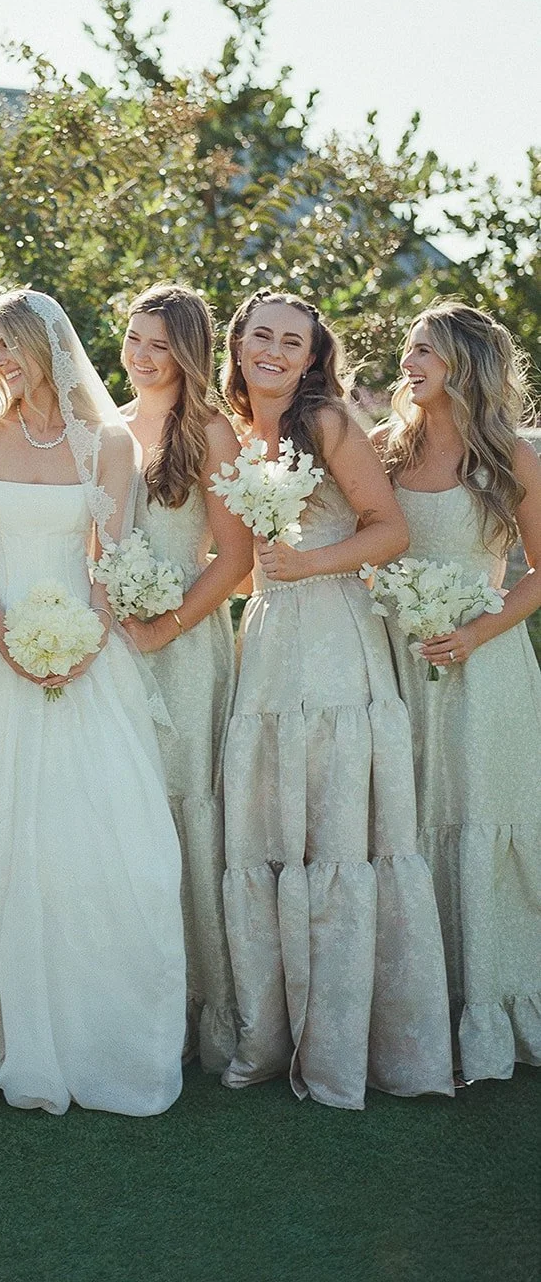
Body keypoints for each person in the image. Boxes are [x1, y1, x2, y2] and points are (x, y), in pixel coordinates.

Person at [0, 287, 186, 1116]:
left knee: (105, 839)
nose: (0, 366)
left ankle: (99, 1033)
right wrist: (8, 641)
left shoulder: (110, 443)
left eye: (10, 348)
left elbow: (110, 558)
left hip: (89, 653)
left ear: (46, 346)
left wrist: (87, 642)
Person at [219, 289, 453, 1108]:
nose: (274, 352)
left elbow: (388, 528)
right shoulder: (240, 426)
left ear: (315, 356)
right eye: (260, 337)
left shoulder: (325, 422)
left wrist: (309, 566)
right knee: (277, 829)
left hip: (332, 636)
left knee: (336, 833)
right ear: (239, 343)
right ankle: (271, 1029)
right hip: (272, 637)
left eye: (293, 342)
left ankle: (345, 1046)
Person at [374, 301, 541, 1080]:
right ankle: (419, 1005)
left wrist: (475, 631)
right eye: (409, 349)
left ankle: (497, 1003)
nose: (410, 363)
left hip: (487, 661)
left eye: (426, 353)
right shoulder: (387, 449)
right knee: (413, 816)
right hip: (401, 662)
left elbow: (540, 572)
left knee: (479, 815)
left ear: (465, 365)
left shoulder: (513, 455)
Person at [118, 284, 252, 1071]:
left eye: (159, 344)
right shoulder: (105, 425)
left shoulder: (209, 432)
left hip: (186, 640)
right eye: (134, 338)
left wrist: (162, 628)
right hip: (112, 646)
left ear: (189, 353)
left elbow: (233, 560)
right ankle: (126, 992)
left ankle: (198, 1005)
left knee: (183, 806)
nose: (141, 355)